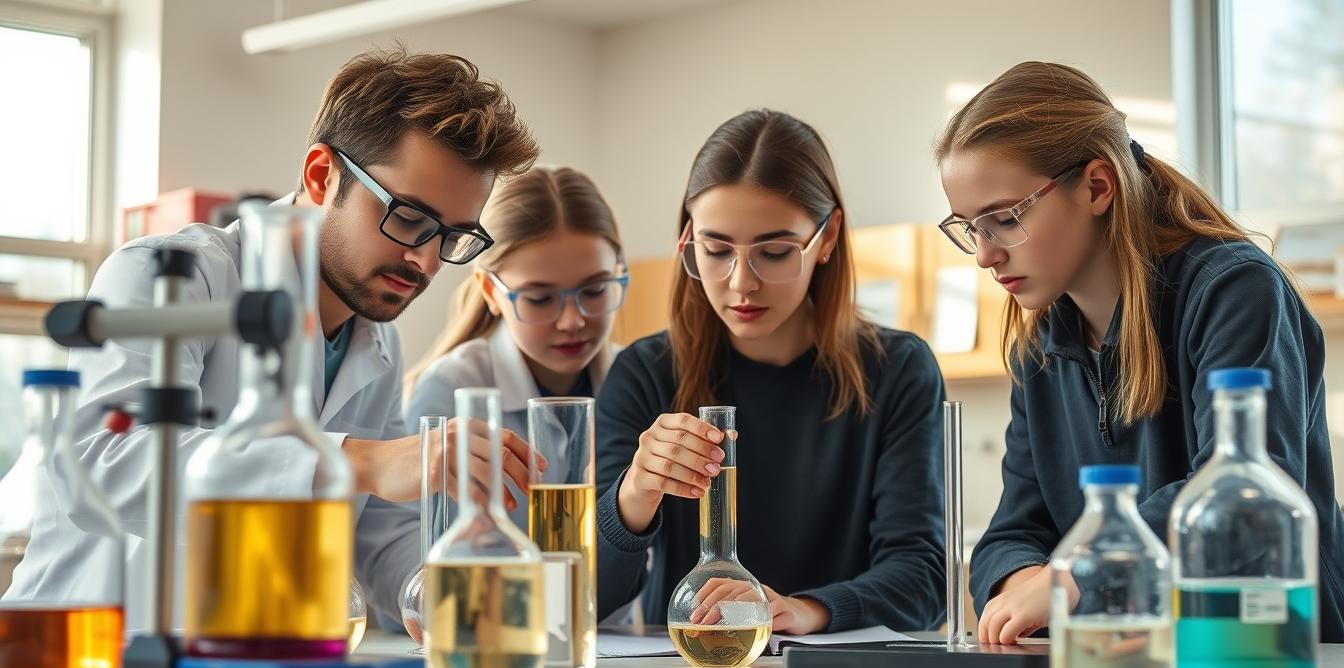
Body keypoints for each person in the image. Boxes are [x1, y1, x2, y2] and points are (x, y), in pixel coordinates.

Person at [2, 46, 541, 630]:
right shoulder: (172, 276)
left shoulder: (376, 344)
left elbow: (378, 538)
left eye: (454, 238)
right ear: (320, 175)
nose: (426, 262)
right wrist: (357, 461)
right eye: (408, 218)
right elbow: (104, 465)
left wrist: (474, 598)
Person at [935, 61, 1344, 644]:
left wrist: (1072, 577)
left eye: (1003, 220)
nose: (984, 256)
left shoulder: (1234, 291)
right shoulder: (1039, 345)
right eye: (970, 228)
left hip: (1268, 654)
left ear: (1097, 186)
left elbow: (1241, 501)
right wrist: (1019, 583)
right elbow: (1011, 534)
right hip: (1124, 662)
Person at [595, 109, 946, 635]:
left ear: (827, 238)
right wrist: (634, 495)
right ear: (687, 240)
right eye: (715, 250)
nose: (741, 283)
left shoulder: (898, 370)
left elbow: (923, 580)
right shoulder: (644, 373)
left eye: (775, 252)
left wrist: (802, 609)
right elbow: (584, 601)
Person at [404, 165, 626, 530]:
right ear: (492, 292)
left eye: (595, 291)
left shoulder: (634, 379)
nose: (572, 320)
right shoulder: (449, 390)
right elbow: (415, 549)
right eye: (540, 298)